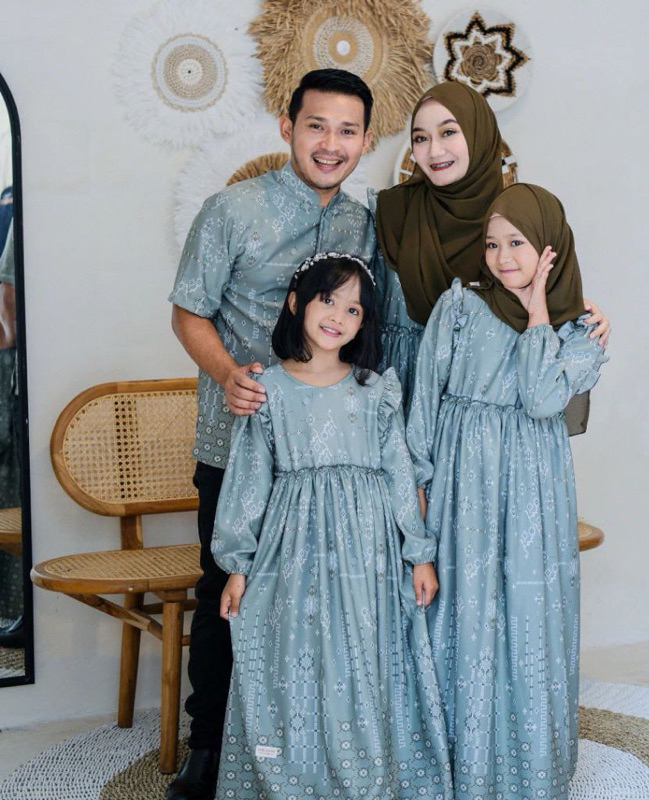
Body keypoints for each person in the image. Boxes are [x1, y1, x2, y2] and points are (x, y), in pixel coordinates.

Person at [168, 69, 376, 800]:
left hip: (326, 460)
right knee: (225, 592)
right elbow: (189, 310)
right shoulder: (232, 210)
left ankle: (308, 744)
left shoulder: (364, 225)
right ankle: (206, 750)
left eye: (347, 130)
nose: (331, 143)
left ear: (366, 141)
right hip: (239, 444)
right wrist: (228, 373)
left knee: (321, 600)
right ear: (288, 127)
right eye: (316, 125)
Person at [212, 253, 454, 800]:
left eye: (354, 309)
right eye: (328, 300)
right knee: (296, 655)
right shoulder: (267, 390)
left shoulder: (374, 390)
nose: (338, 317)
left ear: (364, 323)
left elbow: (399, 474)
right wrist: (237, 567)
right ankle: (300, 776)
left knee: (362, 656)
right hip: (292, 551)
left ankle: (365, 774)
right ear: (296, 303)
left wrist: (419, 553)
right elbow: (250, 480)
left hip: (367, 552)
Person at [405, 183, 608, 799]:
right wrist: (419, 482)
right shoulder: (459, 305)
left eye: (517, 243)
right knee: (462, 608)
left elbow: (543, 399)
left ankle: (525, 766)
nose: (501, 257)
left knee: (526, 610)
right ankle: (459, 763)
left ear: (550, 249)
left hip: (532, 490)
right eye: (492, 245)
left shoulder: (581, 333)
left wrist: (539, 311)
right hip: (462, 480)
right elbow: (425, 398)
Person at [374, 81, 610, 429]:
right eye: (421, 138)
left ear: (479, 134)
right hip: (397, 396)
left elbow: (539, 299)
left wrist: (575, 311)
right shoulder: (391, 212)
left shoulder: (509, 224)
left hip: (484, 426)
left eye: (448, 132)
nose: (434, 150)